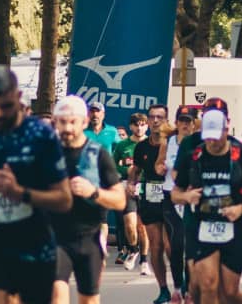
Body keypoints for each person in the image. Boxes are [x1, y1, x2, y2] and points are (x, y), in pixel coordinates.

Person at [0, 65, 73, 304]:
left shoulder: (41, 135)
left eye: (6, 106)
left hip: (34, 245)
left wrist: (20, 193)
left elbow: (64, 200)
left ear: (19, 97)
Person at [172, 106, 242, 304]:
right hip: (203, 226)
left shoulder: (241, 156)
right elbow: (175, 193)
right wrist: (187, 196)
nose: (212, 142)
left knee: (230, 293)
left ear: (226, 131)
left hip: (233, 227)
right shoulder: (195, 156)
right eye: (208, 137)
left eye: (216, 136)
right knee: (206, 284)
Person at [50, 95, 126, 304]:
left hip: (88, 236)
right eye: (62, 121)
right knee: (56, 294)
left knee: (89, 299)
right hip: (55, 236)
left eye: (72, 121)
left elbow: (120, 200)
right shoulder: (47, 154)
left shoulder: (98, 154)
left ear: (84, 122)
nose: (67, 127)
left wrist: (93, 192)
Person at [130, 103, 171, 304]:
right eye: (152, 117)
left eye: (159, 117)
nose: (155, 121)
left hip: (171, 199)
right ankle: (164, 289)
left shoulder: (174, 144)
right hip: (150, 198)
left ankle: (181, 285)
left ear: (166, 120)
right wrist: (131, 183)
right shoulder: (142, 146)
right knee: (156, 245)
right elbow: (136, 169)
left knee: (171, 246)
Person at [156, 105, 195, 303]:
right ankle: (178, 288)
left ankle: (188, 288)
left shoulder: (198, 144)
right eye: (182, 120)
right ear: (177, 122)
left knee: (190, 244)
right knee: (176, 244)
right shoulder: (168, 142)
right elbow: (158, 164)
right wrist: (161, 168)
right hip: (171, 196)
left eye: (189, 121)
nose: (185, 124)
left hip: (191, 198)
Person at [112, 112, 149, 272]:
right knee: (130, 224)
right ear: (131, 126)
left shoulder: (151, 143)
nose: (139, 128)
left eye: (142, 124)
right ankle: (133, 249)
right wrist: (126, 170)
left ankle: (144, 261)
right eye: (136, 124)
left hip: (146, 186)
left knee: (143, 226)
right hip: (128, 185)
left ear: (146, 126)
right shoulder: (122, 145)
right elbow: (113, 165)